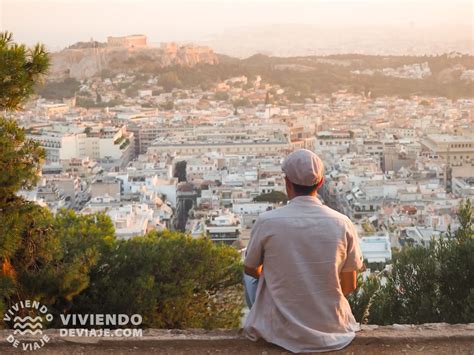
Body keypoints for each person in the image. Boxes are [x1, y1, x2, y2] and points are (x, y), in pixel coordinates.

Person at [243, 149, 364, 353]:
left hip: (278, 330)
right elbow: (349, 284)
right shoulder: (342, 223)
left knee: (247, 268)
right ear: (321, 182)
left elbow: (251, 269)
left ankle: (266, 314)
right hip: (333, 327)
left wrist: (278, 282)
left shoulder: (267, 222)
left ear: (287, 183)